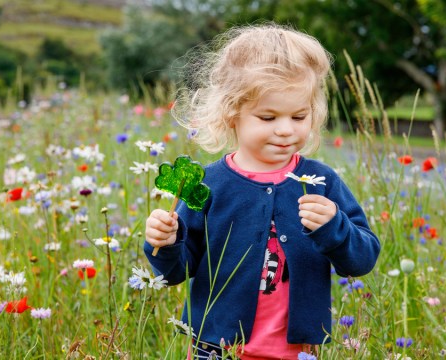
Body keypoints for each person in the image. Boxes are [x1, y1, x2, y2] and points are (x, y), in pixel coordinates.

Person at [144, 23, 381, 360]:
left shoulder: (321, 181)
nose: (285, 130)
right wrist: (164, 243)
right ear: (232, 113)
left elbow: (362, 259)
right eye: (268, 117)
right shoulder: (207, 185)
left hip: (297, 350)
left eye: (299, 115)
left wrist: (334, 227)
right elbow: (174, 272)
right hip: (216, 346)